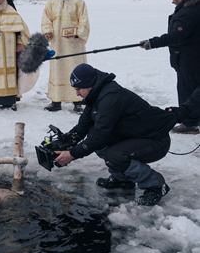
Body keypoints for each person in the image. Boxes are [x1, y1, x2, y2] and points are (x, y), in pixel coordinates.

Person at [53, 63, 183, 206]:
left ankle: (156, 185)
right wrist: (65, 141)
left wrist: (72, 154)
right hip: (133, 136)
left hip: (154, 141)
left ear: (89, 84)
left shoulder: (110, 97)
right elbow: (82, 127)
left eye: (79, 89)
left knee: (114, 155)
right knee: (95, 139)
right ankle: (122, 179)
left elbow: (100, 135)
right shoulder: (95, 95)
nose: (77, 94)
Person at [140, 0, 200, 134]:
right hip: (191, 56)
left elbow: (176, 36)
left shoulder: (189, 11)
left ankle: (190, 123)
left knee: (187, 90)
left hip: (190, 58)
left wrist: (152, 43)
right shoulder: (191, 5)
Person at [41, 0, 90, 113]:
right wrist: (48, 32)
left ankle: (77, 101)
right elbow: (46, 19)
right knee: (57, 69)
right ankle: (56, 101)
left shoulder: (79, 3)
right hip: (57, 43)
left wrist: (77, 33)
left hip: (74, 44)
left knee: (76, 70)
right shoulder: (51, 3)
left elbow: (84, 21)